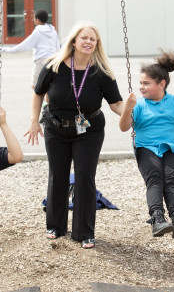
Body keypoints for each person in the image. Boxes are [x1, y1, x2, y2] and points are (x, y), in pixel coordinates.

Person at [24, 21, 124, 249]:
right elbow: (38, 93)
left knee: (84, 177)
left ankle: (84, 231)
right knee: (57, 175)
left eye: (93, 39)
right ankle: (56, 226)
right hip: (55, 128)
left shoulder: (102, 72)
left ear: (96, 44)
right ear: (74, 41)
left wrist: (132, 110)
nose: (88, 42)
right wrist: (33, 122)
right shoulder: (54, 66)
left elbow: (116, 104)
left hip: (88, 130)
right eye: (84, 38)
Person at [119, 49, 174, 238]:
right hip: (146, 148)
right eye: (140, 83)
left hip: (172, 149)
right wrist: (127, 108)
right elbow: (124, 127)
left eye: (146, 83)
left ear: (161, 84)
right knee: (155, 180)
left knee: (172, 181)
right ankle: (157, 219)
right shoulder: (140, 105)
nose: (141, 87)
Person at [0, 9, 60, 89]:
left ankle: (40, 101)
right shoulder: (53, 31)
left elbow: (25, 46)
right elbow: (58, 46)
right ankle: (48, 101)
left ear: (37, 20)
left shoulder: (38, 32)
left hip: (41, 61)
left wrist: (6, 49)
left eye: (34, 19)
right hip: (53, 60)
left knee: (35, 86)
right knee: (49, 85)